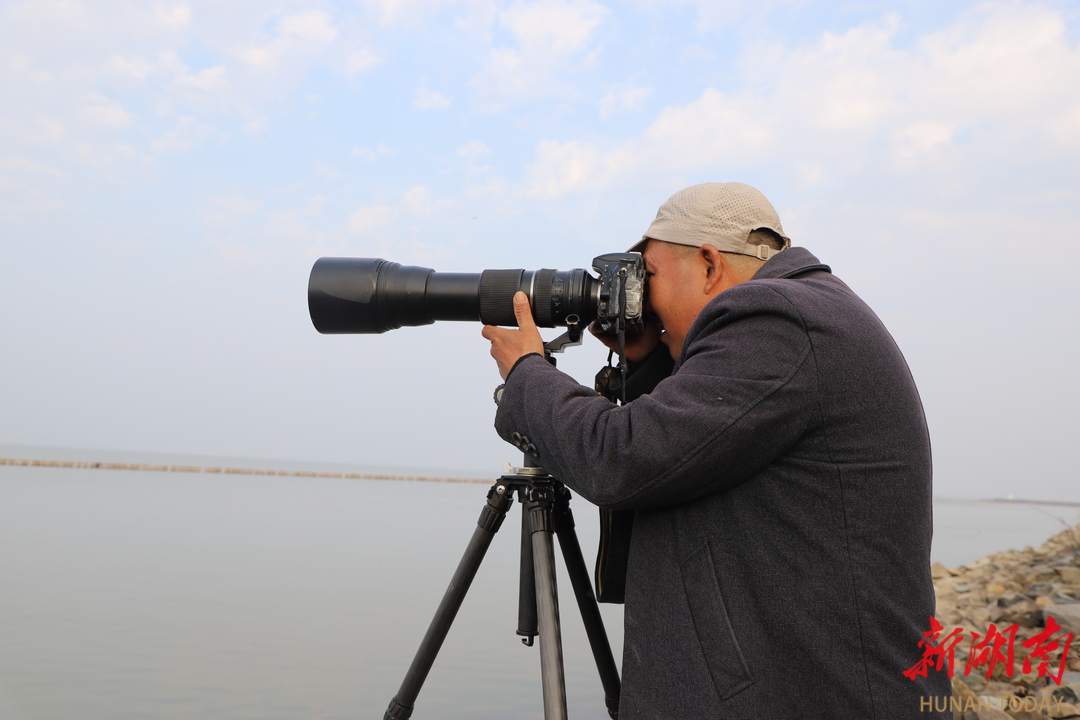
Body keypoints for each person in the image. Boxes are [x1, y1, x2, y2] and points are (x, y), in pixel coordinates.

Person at [481, 182, 950, 719]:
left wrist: (527, 375)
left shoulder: (776, 317)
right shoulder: (811, 311)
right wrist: (650, 364)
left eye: (647, 278)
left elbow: (622, 459)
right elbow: (703, 443)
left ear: (708, 264)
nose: (642, 301)